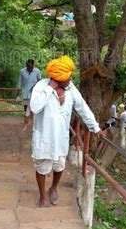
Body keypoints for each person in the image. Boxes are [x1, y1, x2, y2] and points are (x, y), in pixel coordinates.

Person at [29, 55, 107, 207]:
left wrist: (95, 128)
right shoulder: (41, 87)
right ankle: (42, 195)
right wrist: (50, 88)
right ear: (58, 78)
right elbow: (35, 107)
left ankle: (53, 188)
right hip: (44, 137)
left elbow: (83, 108)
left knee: (59, 165)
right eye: (68, 77)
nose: (71, 79)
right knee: (42, 167)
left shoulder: (71, 89)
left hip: (60, 138)